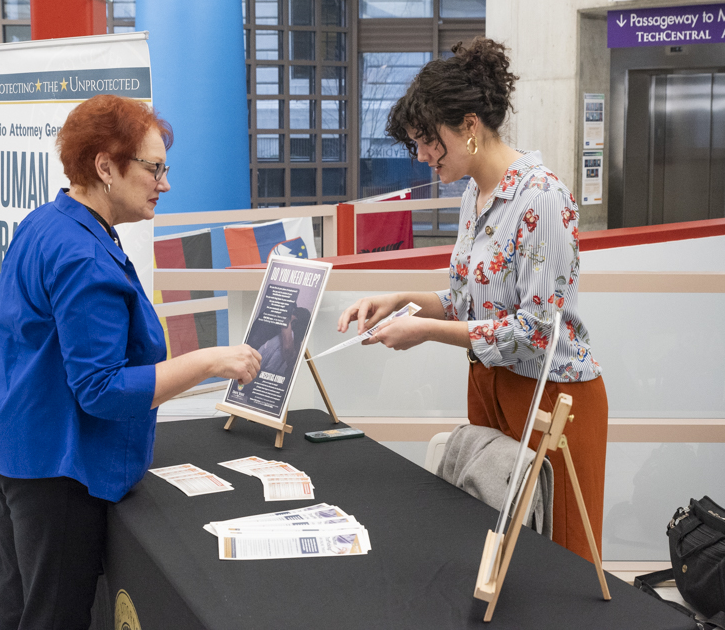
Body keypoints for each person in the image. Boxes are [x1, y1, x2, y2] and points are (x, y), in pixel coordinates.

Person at [0, 94, 261, 629]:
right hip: (55, 471)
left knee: (15, 605)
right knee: (53, 615)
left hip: (5, 449)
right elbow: (100, 391)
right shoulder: (84, 256)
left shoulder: (44, 224)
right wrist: (210, 361)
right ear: (105, 167)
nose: (163, 184)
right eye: (154, 168)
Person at [336, 37, 608, 563]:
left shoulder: (543, 197)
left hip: (552, 401)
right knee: (495, 553)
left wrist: (427, 332)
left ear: (468, 125)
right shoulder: (474, 195)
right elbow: (467, 300)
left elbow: (536, 330)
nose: (421, 156)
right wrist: (400, 302)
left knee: (560, 562)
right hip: (491, 389)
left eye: (427, 141)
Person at [258, 306, 312, 376]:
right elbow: (270, 369)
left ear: (295, 320)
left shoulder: (291, 337)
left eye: (293, 314)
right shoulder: (289, 337)